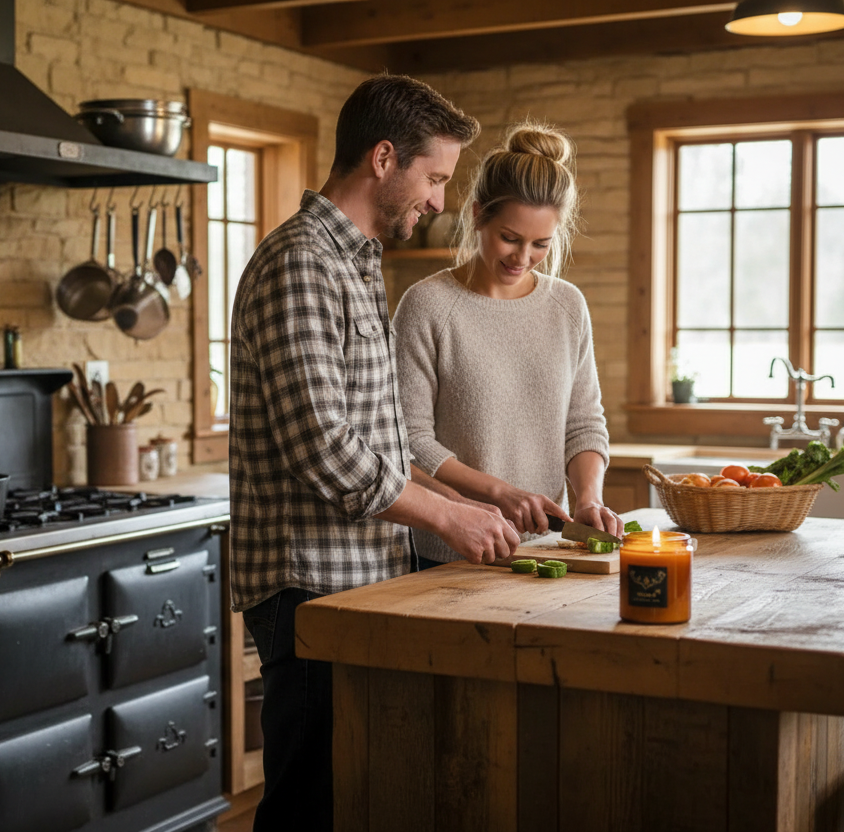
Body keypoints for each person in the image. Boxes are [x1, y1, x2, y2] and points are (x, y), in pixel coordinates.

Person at [229, 74, 520, 832]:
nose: (438, 202)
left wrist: (461, 502)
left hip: (357, 582)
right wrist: (449, 524)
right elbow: (322, 446)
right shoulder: (301, 262)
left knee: (357, 794)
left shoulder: (355, 263)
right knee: (309, 806)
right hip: (309, 588)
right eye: (434, 178)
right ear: (384, 158)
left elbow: (374, 441)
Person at [393, 121, 622, 570]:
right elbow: (410, 442)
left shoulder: (567, 306)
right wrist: (501, 492)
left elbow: (583, 424)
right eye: (510, 238)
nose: (522, 258)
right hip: (447, 557)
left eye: (541, 244)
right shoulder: (427, 306)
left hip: (545, 555)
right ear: (478, 215)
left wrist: (588, 498)